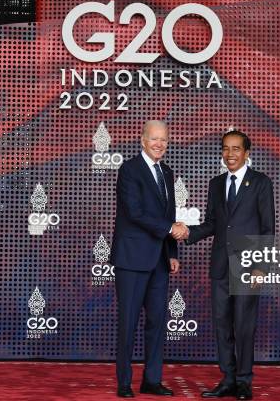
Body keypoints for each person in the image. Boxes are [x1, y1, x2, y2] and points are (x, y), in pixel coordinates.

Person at [183, 130, 275, 400]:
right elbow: (213, 223)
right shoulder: (215, 183)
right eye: (226, 149)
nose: (230, 154)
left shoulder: (261, 183)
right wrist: (188, 232)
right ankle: (228, 379)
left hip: (248, 267)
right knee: (222, 324)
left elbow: (267, 229)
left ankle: (244, 381)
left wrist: (261, 267)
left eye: (236, 149)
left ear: (247, 153)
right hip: (221, 267)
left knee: (244, 325)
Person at [111, 120, 188, 398]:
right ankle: (124, 382)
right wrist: (171, 229)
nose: (160, 144)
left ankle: (152, 380)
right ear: (142, 140)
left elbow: (168, 214)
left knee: (157, 322)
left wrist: (172, 252)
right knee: (128, 322)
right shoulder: (129, 170)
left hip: (159, 260)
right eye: (154, 139)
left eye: (164, 140)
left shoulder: (166, 172)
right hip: (132, 259)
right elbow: (135, 212)